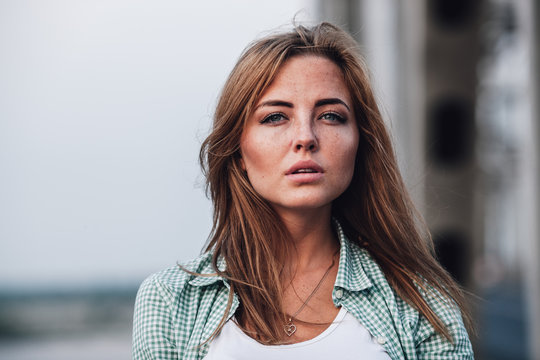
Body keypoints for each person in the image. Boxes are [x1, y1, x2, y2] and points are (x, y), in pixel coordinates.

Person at [132, 22, 474, 359]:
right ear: (238, 152)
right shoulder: (170, 301)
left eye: (330, 116)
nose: (306, 137)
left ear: (360, 143)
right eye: (275, 117)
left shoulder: (422, 304)